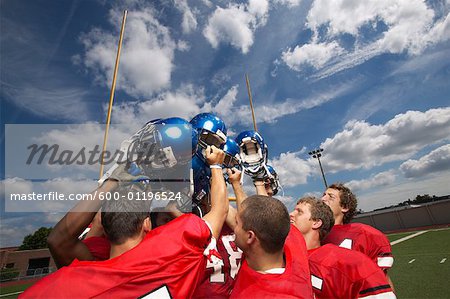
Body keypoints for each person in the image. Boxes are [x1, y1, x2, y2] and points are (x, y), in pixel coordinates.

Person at [21, 145, 228, 298]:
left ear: (103, 227)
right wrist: (216, 165)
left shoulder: (60, 286)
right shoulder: (175, 253)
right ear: (147, 224)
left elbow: (58, 239)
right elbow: (219, 210)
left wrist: (110, 183)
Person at [290, 197, 396, 298]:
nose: (290, 214)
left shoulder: (347, 263)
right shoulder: (281, 257)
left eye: (299, 212)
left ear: (316, 222)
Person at [321, 183, 394, 287]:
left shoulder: (364, 234)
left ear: (344, 207)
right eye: (323, 195)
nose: (323, 199)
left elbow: (382, 279)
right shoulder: (311, 233)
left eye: (330, 196)